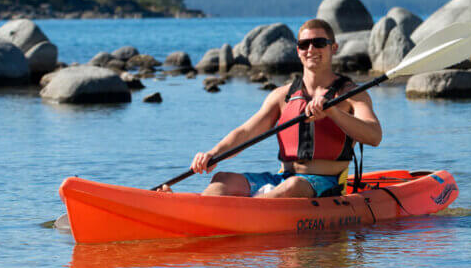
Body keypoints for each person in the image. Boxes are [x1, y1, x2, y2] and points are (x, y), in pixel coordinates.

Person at [159, 19, 382, 198]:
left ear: (333, 48)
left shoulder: (351, 94)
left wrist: (333, 112)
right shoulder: (282, 96)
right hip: (282, 178)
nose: (311, 49)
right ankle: (190, 208)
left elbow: (374, 135)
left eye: (319, 43)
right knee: (223, 179)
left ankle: (238, 214)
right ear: (298, 51)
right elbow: (246, 132)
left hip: (326, 183)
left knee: (292, 187)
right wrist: (213, 154)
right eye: (304, 45)